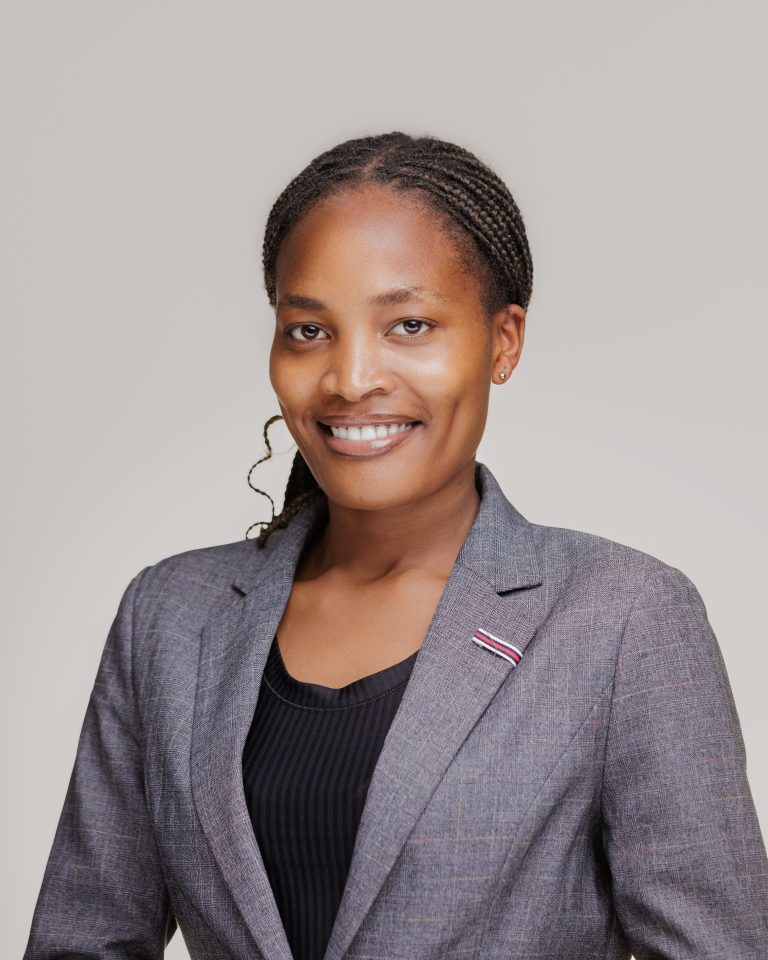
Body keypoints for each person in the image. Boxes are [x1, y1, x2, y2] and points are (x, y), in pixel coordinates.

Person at [23, 132, 768, 960]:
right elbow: (81, 941)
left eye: (409, 325)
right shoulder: (169, 616)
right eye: (309, 330)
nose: (351, 378)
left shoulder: (624, 619)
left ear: (504, 340)